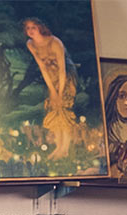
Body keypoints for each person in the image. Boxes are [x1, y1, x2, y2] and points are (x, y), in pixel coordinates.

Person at [23, 17, 78, 160]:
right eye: (28, 28)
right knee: (54, 111)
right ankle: (58, 147)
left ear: (40, 27)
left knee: (64, 111)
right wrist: (52, 91)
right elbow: (42, 67)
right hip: (51, 78)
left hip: (65, 77)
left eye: (33, 27)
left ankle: (65, 148)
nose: (30, 31)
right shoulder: (31, 44)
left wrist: (60, 93)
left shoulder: (55, 42)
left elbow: (62, 70)